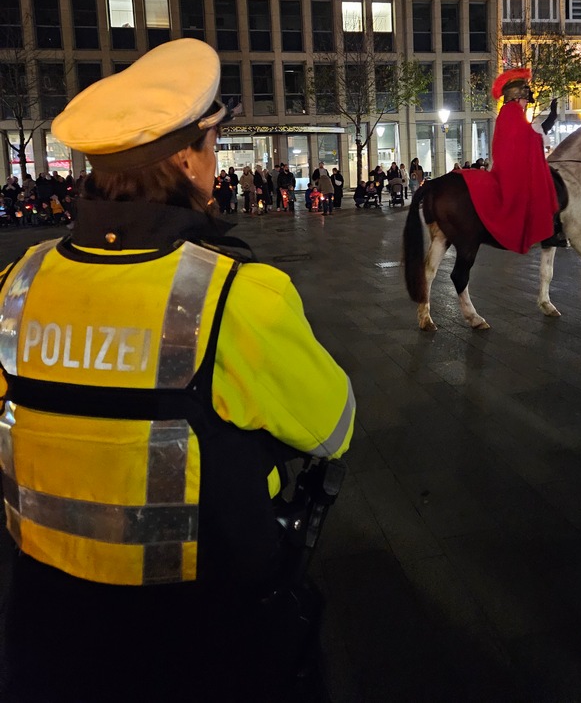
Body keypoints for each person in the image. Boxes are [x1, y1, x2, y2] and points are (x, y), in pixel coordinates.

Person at [0, 39, 355, 702]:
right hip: (201, 637)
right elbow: (334, 425)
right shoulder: (237, 295)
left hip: (43, 629)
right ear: (189, 158)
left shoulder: (16, 286)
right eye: (213, 146)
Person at [458, 68, 564, 252]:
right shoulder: (513, 112)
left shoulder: (507, 112)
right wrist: (540, 137)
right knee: (542, 187)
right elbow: (527, 137)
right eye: (525, 99)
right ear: (517, 97)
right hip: (511, 170)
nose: (525, 103)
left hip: (506, 165)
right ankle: (548, 232)